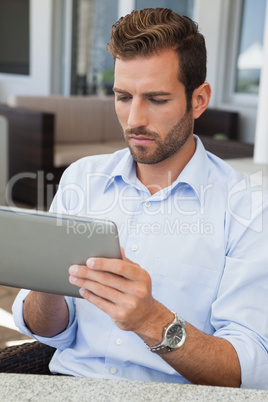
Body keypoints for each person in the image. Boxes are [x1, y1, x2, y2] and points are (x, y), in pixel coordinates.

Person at [13, 8, 268, 389]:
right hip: (69, 388)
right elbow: (49, 334)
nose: (134, 119)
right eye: (122, 96)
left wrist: (152, 321)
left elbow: (251, 372)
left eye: (157, 99)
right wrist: (46, 285)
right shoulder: (83, 178)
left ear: (198, 100)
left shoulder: (248, 207)